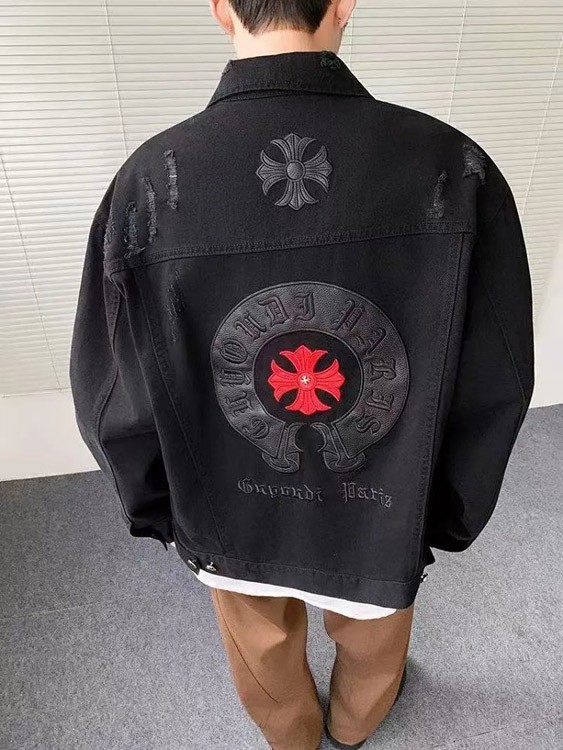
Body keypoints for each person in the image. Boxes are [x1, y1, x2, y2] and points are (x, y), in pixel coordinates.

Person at [69, 1, 535, 748]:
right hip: (384, 508)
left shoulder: (148, 184)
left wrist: (163, 508)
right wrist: (443, 512)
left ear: (220, 8)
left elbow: (110, 390)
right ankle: (357, 722)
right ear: (343, 3)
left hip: (224, 505)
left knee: (258, 639)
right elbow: (497, 375)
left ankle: (291, 735)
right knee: (374, 620)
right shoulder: (454, 168)